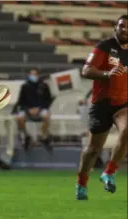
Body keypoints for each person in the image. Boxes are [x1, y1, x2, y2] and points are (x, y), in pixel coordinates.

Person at [76, 15, 127, 200]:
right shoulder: (104, 47)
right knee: (93, 150)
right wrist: (107, 73)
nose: (125, 29)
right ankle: (81, 184)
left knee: (127, 129)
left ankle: (109, 172)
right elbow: (86, 71)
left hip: (123, 104)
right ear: (116, 27)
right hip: (102, 103)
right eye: (122, 26)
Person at [13, 68, 54, 151]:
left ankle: (43, 135)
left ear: (38, 75)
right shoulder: (24, 86)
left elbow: (48, 100)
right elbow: (21, 101)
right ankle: (26, 135)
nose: (33, 76)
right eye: (32, 74)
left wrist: (39, 108)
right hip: (28, 109)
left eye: (35, 74)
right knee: (19, 118)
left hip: (41, 109)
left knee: (46, 116)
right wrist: (28, 110)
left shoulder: (44, 86)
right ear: (28, 75)